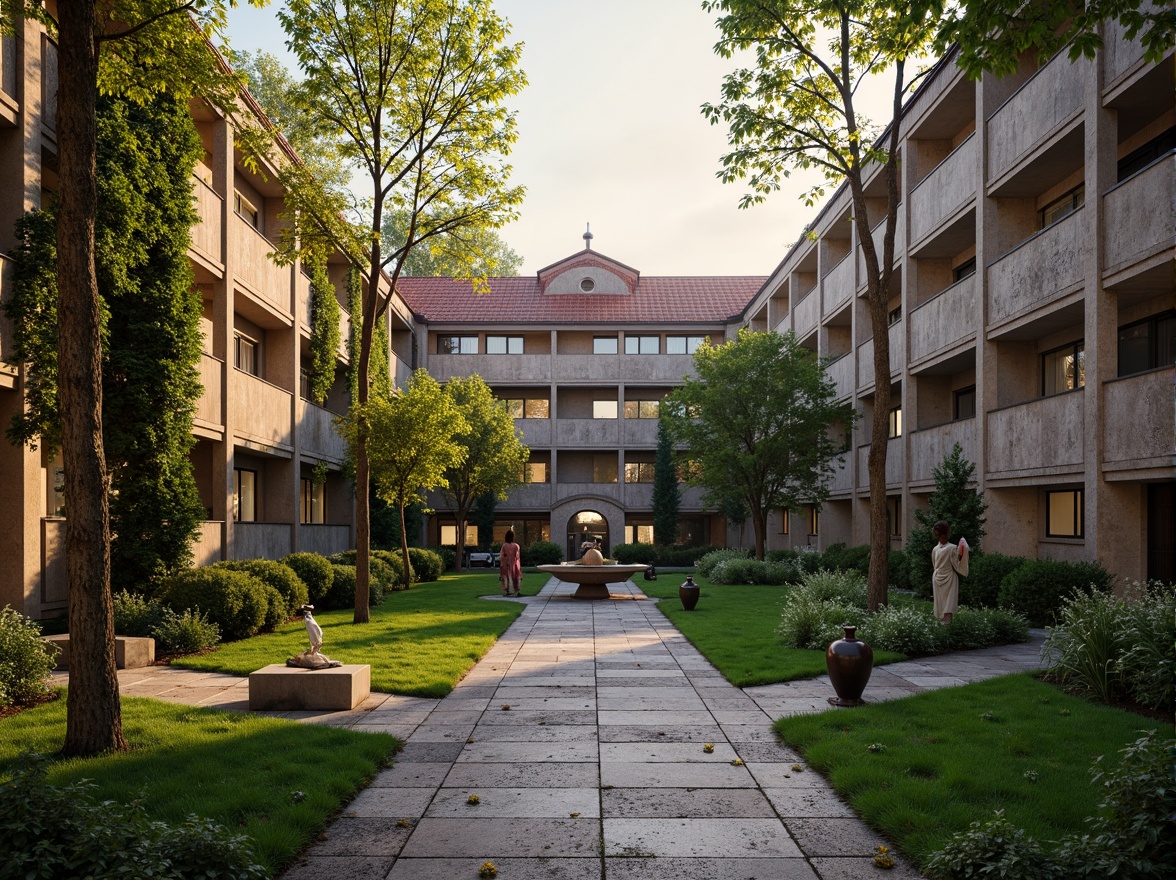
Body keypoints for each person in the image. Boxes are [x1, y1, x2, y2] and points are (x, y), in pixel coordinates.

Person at [931, 520, 968, 624]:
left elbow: (937, 564)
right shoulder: (937, 549)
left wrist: (962, 553)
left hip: (947, 579)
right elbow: (956, 565)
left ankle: (946, 625)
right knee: (942, 602)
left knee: (948, 602)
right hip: (941, 578)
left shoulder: (949, 548)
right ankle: (942, 624)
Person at [499, 529, 522, 597]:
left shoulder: (504, 546)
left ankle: (507, 590)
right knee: (515, 576)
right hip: (514, 562)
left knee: (506, 576)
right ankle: (516, 589)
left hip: (506, 563)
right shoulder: (516, 546)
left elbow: (502, 556)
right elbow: (517, 556)